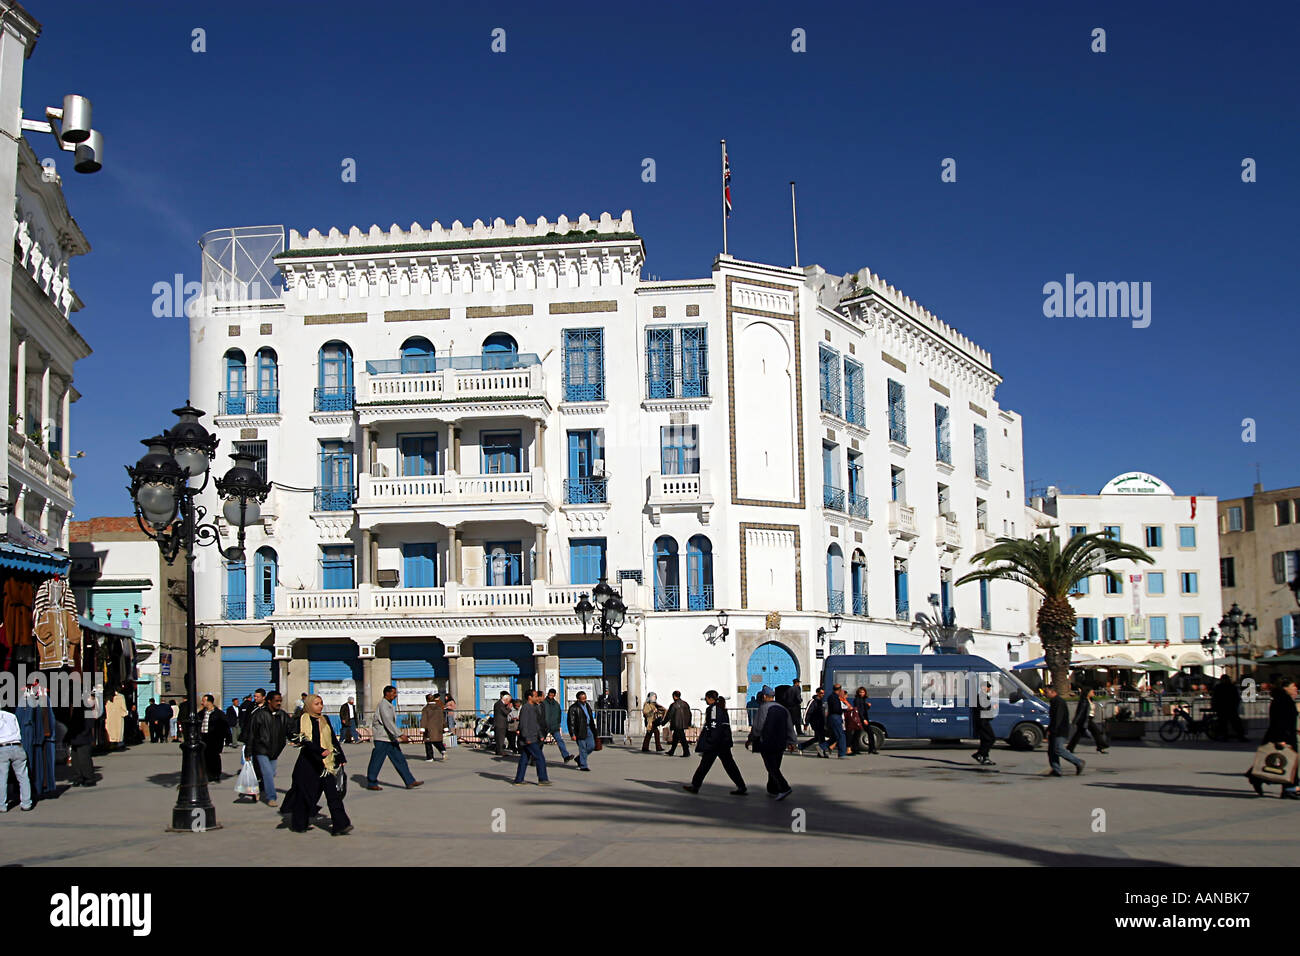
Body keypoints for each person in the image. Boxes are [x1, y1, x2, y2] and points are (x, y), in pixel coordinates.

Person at [283, 694, 352, 835]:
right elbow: (305, 741)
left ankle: (341, 824)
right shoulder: (302, 720)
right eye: (316, 704)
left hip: (326, 765)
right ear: (309, 705)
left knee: (333, 795)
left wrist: (340, 757)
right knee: (305, 796)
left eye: (321, 703)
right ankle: (299, 824)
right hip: (309, 764)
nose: (320, 706)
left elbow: (332, 739)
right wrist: (320, 751)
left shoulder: (324, 719)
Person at [683, 690, 746, 795]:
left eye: (706, 698)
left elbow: (714, 726)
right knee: (729, 765)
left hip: (716, 743)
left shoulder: (714, 709)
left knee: (705, 765)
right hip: (723, 742)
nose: (706, 701)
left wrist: (710, 741)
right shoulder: (721, 708)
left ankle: (695, 786)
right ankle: (741, 786)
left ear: (710, 698)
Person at [1248, 678, 1299, 798]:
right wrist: (1281, 739)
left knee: (1283, 762)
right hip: (1283, 736)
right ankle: (1288, 789)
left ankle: (1256, 777)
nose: (1296, 688)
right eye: (1293, 686)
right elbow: (1280, 721)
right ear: (1285, 688)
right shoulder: (1283, 700)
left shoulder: (1284, 699)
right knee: (1288, 762)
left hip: (1285, 735)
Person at [364, 686, 423, 791]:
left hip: (390, 738)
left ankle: (409, 781)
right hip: (382, 738)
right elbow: (387, 721)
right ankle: (371, 782)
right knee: (377, 761)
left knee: (400, 760)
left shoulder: (389, 705)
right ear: (387, 693)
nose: (395, 695)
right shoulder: (383, 705)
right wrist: (400, 734)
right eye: (393, 693)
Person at [244, 690, 294, 805]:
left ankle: (256, 789)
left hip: (275, 751)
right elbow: (252, 733)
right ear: (269, 701)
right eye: (276, 701)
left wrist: (299, 740)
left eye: (280, 701)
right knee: (267, 773)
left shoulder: (283, 715)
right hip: (261, 749)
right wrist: (248, 751)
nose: (279, 703)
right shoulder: (259, 715)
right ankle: (271, 797)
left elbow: (290, 731)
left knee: (270, 774)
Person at [748, 686, 796, 799]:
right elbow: (790, 726)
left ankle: (784, 788)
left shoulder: (764, 708)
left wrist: (751, 738)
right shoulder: (783, 709)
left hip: (767, 742)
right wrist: (792, 741)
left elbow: (758, 727)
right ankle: (772, 788)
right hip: (781, 742)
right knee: (775, 765)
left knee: (771, 767)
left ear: (764, 696)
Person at [511, 690, 551, 786]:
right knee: (540, 757)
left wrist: (540, 735)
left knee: (524, 758)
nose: (537, 698)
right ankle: (542, 779)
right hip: (529, 738)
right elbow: (523, 724)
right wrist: (526, 737)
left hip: (534, 736)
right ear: (529, 697)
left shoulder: (534, 707)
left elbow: (535, 723)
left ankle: (519, 779)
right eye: (535, 696)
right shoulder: (526, 708)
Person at [1045, 687, 1085, 776]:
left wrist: (1053, 730)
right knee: (1051, 750)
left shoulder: (1058, 702)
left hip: (1060, 730)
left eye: (1046, 692)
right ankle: (1056, 769)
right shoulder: (1054, 701)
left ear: (1053, 692)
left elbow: (1058, 718)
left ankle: (1078, 762)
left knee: (1058, 749)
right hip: (1055, 729)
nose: (1045, 694)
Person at [0, 707, 33, 811]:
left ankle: (2, 805)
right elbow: (18, 731)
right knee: (23, 776)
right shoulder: (12, 716)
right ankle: (26, 803)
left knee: (2, 778)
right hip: (17, 746)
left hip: (3, 747)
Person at [65, 695, 98, 787]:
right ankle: (78, 777)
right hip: (76, 737)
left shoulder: (86, 709)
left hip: (83, 737)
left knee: (84, 758)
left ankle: (89, 778)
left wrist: (85, 734)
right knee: (75, 759)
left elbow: (90, 724)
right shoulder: (76, 710)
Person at [198, 694, 231, 780]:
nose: (202, 703)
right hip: (203, 737)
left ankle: (215, 774)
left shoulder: (219, 714)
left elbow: (225, 726)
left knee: (214, 756)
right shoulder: (201, 713)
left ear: (209, 702)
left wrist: (228, 738)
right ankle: (207, 773)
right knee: (204, 756)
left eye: (204, 701)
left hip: (214, 738)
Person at [1068, 687, 1109, 754]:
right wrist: (1076, 720)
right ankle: (1101, 746)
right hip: (1085, 719)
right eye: (1092, 692)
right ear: (1087, 693)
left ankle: (1070, 747)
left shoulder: (1090, 700)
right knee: (1095, 732)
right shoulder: (1084, 701)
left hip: (1089, 718)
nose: (1093, 693)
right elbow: (1080, 711)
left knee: (1080, 734)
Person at [1212, 677, 1248, 742]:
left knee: (1224, 722)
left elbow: (1215, 698)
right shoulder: (1231, 687)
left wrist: (1215, 706)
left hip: (1223, 708)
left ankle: (1224, 736)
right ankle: (1239, 736)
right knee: (1234, 722)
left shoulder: (1219, 687)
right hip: (1229, 707)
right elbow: (1236, 697)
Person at [541, 689, 573, 763]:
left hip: (554, 726)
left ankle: (566, 756)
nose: (551, 695)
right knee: (540, 743)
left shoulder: (556, 704)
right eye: (550, 694)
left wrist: (558, 724)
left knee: (560, 741)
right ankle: (535, 758)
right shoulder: (543, 703)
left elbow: (559, 714)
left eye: (552, 694)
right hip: (544, 726)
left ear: (554, 695)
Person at [567, 691, 596, 771]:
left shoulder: (587, 706)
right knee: (582, 747)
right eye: (582, 699)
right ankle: (583, 765)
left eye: (585, 698)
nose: (584, 700)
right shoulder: (573, 708)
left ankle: (579, 758)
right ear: (578, 699)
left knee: (591, 746)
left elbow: (590, 717)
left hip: (589, 728)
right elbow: (571, 722)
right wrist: (572, 734)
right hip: (579, 730)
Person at [800, 686, 830, 757]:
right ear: (817, 693)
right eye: (821, 693)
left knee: (817, 738)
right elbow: (807, 712)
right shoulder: (813, 701)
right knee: (821, 737)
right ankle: (822, 752)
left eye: (823, 693)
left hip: (821, 722)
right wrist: (805, 723)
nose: (822, 695)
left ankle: (801, 746)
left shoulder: (821, 702)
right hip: (816, 723)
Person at [972, 680, 997, 766]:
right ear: (983, 687)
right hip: (983, 722)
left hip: (983, 721)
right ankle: (980, 754)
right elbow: (982, 709)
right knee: (991, 738)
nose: (989, 689)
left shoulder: (982, 696)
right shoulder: (981, 697)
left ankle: (984, 757)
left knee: (985, 739)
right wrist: (992, 709)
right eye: (988, 687)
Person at [663, 690, 692, 757]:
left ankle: (686, 752)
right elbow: (689, 714)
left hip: (676, 724)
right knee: (675, 738)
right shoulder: (685, 704)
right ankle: (672, 751)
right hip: (683, 723)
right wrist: (689, 723)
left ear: (674, 696)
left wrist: (664, 722)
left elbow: (669, 715)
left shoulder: (674, 705)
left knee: (682, 739)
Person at [420, 694, 446, 762]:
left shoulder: (426, 709)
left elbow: (424, 719)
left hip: (429, 728)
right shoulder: (439, 708)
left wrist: (422, 728)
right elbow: (443, 718)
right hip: (438, 728)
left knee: (428, 743)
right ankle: (442, 749)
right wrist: (445, 726)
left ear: (427, 700)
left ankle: (430, 757)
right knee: (437, 740)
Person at [826, 684, 849, 759]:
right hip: (835, 717)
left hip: (832, 717)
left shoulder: (831, 697)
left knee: (835, 736)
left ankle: (822, 746)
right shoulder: (835, 698)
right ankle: (842, 753)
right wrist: (844, 710)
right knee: (841, 735)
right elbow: (836, 709)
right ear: (839, 690)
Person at [852, 686, 876, 754]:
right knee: (866, 732)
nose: (861, 693)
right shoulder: (857, 700)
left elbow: (863, 709)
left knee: (858, 733)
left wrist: (867, 706)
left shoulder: (862, 700)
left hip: (863, 718)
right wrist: (863, 719)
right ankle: (871, 749)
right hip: (861, 719)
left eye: (863, 692)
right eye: (860, 692)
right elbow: (859, 711)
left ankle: (855, 749)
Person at [492, 691, 511, 757]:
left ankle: (498, 750)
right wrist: (509, 708)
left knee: (499, 738)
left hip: (501, 723)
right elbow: (505, 712)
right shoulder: (499, 704)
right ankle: (500, 751)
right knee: (500, 738)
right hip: (500, 724)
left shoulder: (501, 704)